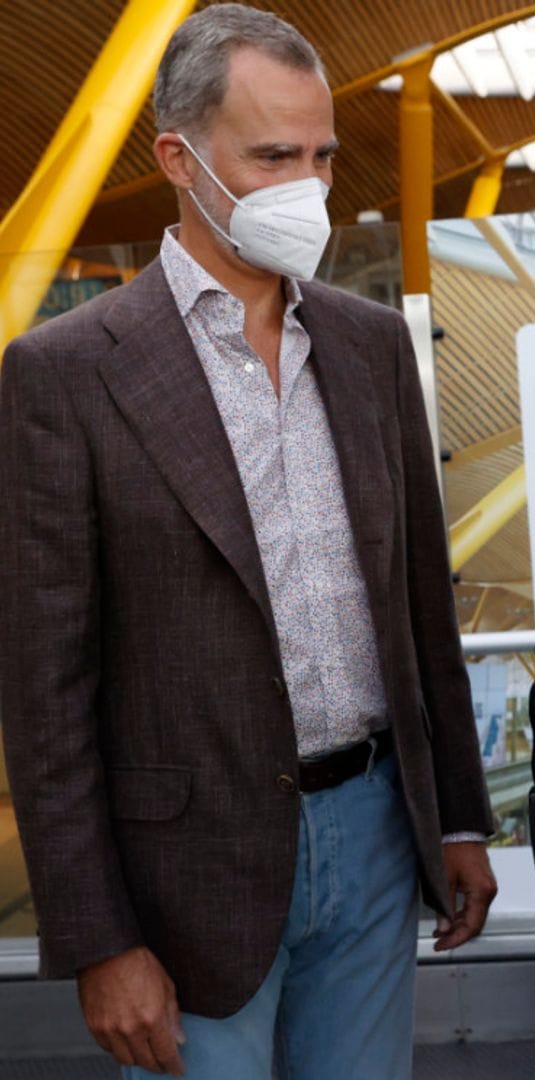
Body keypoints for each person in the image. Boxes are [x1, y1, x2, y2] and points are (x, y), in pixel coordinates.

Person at [0, 6, 496, 1078]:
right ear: (180, 158)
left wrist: (458, 817)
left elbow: (422, 607)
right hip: (185, 870)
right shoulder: (68, 373)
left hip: (373, 831)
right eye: (273, 156)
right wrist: (97, 938)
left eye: (320, 156)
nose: (307, 188)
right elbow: (46, 692)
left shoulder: (367, 347)